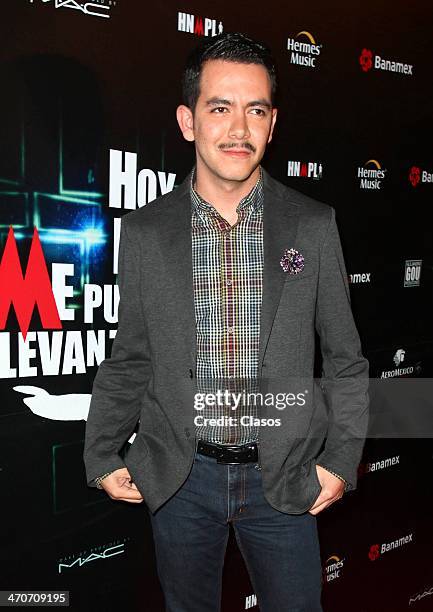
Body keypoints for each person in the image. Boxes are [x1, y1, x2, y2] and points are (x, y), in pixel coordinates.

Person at [84, 32, 369, 612]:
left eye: (255, 110)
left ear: (272, 123)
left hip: (284, 480)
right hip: (180, 478)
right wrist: (101, 455)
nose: (239, 130)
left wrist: (340, 461)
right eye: (220, 108)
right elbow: (131, 357)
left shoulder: (313, 226)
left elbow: (345, 359)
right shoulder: (144, 232)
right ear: (189, 121)